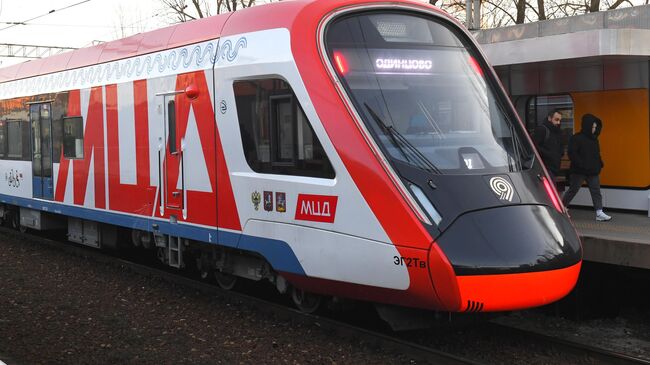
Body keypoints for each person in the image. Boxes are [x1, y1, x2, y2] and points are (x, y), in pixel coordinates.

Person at [562, 114, 612, 221]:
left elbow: (597, 153)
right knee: (573, 190)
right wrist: (582, 164)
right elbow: (572, 153)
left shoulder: (594, 139)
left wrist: (600, 163)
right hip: (579, 171)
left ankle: (599, 212)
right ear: (587, 126)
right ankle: (561, 208)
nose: (594, 129)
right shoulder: (576, 138)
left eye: (595, 127)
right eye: (593, 127)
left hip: (593, 170)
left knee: (596, 191)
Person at [532, 109, 563, 183]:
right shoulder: (542, 130)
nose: (558, 122)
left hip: (554, 168)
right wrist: (549, 154)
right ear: (549, 118)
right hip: (545, 167)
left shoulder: (557, 132)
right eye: (556, 120)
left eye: (560, 120)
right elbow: (534, 147)